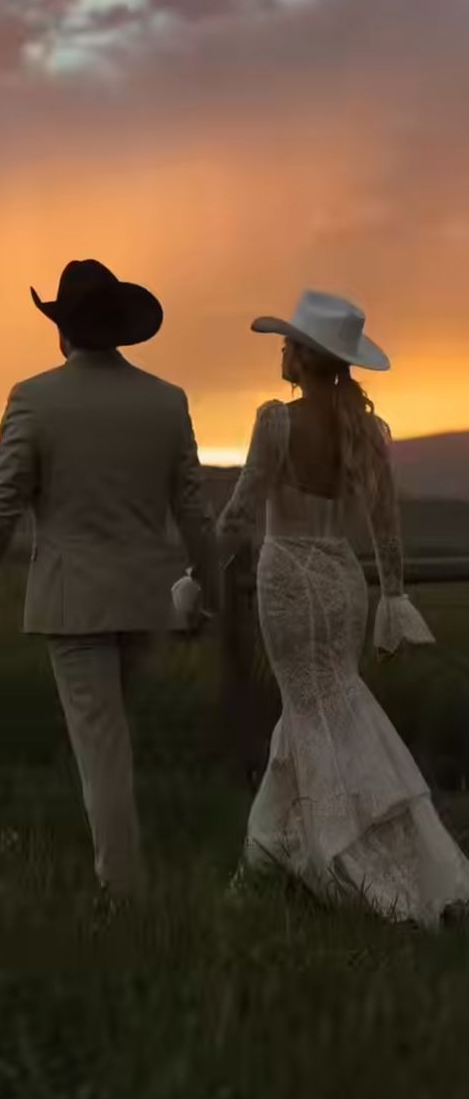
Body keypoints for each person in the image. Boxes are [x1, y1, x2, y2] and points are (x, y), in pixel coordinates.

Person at [0, 259, 219, 902]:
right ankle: (123, 879)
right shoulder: (166, 400)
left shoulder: (35, 397)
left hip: (74, 603)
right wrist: (211, 588)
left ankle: (121, 896)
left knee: (102, 747)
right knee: (114, 740)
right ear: (119, 329)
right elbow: (193, 507)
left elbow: (3, 500)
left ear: (62, 330)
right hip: (143, 597)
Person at [207, 289, 469, 927]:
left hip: (288, 581)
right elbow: (387, 528)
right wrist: (394, 595)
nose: (282, 349)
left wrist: (195, 572)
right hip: (342, 581)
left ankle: (366, 877)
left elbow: (242, 513)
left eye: (288, 342)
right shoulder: (365, 429)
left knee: (310, 714)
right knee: (329, 708)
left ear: (304, 356)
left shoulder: (275, 422)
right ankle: (271, 856)